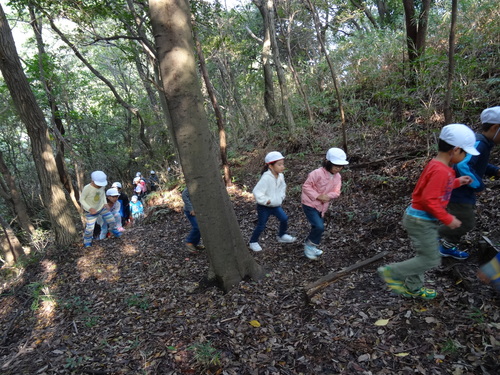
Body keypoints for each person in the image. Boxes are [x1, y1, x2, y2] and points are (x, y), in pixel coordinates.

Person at [378, 124, 479, 300]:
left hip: (421, 219)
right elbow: (429, 199)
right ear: (455, 150)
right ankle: (392, 272)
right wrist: (448, 219)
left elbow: (434, 189)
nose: (466, 156)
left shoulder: (438, 166)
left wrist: (456, 182)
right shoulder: (441, 170)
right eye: (465, 153)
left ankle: (413, 288)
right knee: (430, 259)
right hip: (420, 220)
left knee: (425, 255)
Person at [438, 107, 500, 259]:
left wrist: (494, 170)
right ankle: (434, 236)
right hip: (460, 191)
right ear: (495, 128)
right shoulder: (480, 143)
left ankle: (445, 245)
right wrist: (478, 185)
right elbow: (463, 165)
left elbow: (478, 164)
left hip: (463, 192)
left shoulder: (484, 143)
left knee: (462, 220)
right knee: (465, 222)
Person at [301, 148, 349, 260]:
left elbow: (337, 191)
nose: (339, 168)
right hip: (309, 203)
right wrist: (318, 196)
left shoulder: (338, 177)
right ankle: (309, 245)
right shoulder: (316, 173)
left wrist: (328, 196)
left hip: (322, 206)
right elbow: (306, 186)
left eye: (341, 166)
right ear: (328, 163)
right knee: (319, 226)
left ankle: (311, 245)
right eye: (336, 165)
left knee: (317, 226)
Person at [248, 151, 296, 252]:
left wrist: (281, 197)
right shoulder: (266, 178)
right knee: (261, 225)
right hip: (264, 207)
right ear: (270, 166)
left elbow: (283, 187)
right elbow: (257, 192)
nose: (282, 167)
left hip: (275, 205)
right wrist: (266, 201)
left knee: (284, 219)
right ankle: (253, 241)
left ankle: (281, 235)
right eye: (279, 164)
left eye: (283, 164)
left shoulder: (281, 176)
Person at [80, 171, 122, 248]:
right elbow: (82, 200)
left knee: (111, 219)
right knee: (90, 228)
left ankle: (114, 230)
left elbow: (102, 195)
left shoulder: (102, 187)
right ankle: (87, 242)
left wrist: (105, 203)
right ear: (92, 181)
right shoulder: (87, 188)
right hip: (91, 211)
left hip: (102, 208)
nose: (100, 186)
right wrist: (90, 208)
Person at [181, 187, 205, 253]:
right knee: (197, 227)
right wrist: (191, 209)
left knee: (201, 227)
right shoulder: (189, 187)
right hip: (190, 211)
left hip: (200, 210)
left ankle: (195, 244)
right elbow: (184, 195)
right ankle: (189, 242)